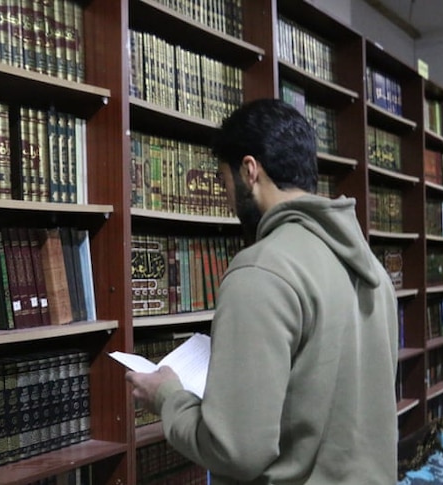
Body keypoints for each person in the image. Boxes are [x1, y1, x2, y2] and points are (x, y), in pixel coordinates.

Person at [125, 99, 399, 485]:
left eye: (224, 182)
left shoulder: (261, 270)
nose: (225, 198)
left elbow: (236, 450)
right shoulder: (372, 269)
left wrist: (167, 396)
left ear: (249, 171)